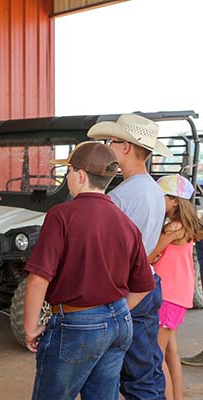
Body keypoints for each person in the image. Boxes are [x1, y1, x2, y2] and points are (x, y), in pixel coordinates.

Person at [24, 142, 154, 399]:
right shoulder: (124, 221)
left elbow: (39, 279)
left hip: (77, 324)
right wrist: (112, 315)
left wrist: (30, 328)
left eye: (68, 172)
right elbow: (143, 284)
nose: (67, 178)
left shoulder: (62, 215)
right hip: (118, 321)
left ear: (80, 175)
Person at [88, 113, 172, 400]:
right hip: (147, 282)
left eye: (112, 141)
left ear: (125, 147)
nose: (108, 146)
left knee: (129, 376)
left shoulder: (121, 197)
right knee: (146, 368)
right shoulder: (153, 190)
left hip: (126, 289)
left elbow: (108, 252)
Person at [148, 175, 203, 400]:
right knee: (171, 353)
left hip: (167, 296)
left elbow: (148, 256)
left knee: (155, 357)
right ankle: (177, 397)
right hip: (179, 296)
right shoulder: (186, 226)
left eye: (161, 197)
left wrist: (153, 255)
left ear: (173, 201)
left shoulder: (173, 227)